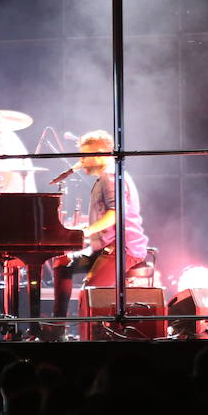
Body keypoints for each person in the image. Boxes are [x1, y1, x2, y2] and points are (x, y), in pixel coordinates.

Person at [48, 130, 150, 332]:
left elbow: (115, 214)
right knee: (62, 263)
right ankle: (57, 327)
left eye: (85, 156)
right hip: (103, 247)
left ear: (101, 154)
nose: (81, 161)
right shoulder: (106, 176)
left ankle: (95, 338)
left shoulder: (111, 176)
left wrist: (85, 232)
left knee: (90, 294)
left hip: (122, 248)